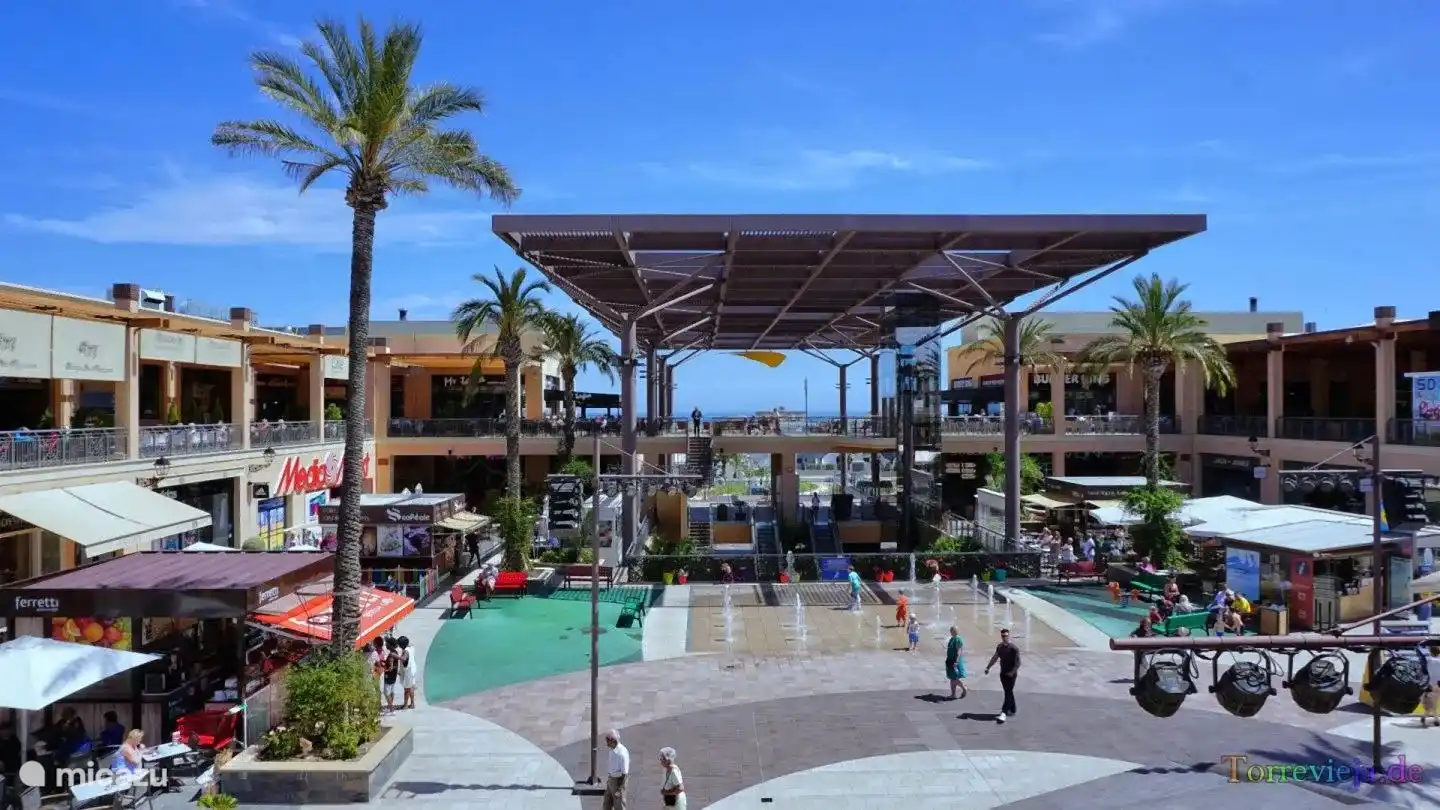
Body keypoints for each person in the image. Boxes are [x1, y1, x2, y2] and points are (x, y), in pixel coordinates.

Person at [984, 628, 1020, 722]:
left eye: (1006, 636)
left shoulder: (1014, 649)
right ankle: (1013, 709)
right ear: (1001, 636)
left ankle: (1004, 712)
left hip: (1011, 675)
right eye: (1003, 636)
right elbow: (995, 657)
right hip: (1003, 673)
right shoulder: (1000, 647)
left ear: (1009, 636)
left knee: (1008, 692)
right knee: (1008, 692)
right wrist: (988, 667)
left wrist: (1011, 673)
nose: (1004, 638)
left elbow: (1018, 663)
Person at [603, 730, 629, 810]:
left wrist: (620, 789)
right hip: (611, 779)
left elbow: (625, 774)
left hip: (618, 781)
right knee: (606, 804)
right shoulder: (612, 749)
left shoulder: (621, 754)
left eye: (607, 740)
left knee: (619, 806)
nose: (606, 742)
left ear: (613, 740)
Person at [1420, 643, 1440, 728]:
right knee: (1434, 702)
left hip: (1429, 684)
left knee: (1431, 702)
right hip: (1438, 684)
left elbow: (1425, 672)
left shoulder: (1428, 661)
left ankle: (1427, 717)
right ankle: (1435, 719)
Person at [945, 626, 967, 699]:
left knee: (954, 678)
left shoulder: (958, 639)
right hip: (950, 660)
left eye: (952, 630)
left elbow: (959, 651)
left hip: (955, 661)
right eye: (951, 630)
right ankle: (953, 694)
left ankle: (964, 688)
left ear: (955, 631)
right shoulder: (952, 639)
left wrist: (956, 661)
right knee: (952, 678)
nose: (951, 632)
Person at [398, 637, 418, 710]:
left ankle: (405, 705)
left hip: (408, 671)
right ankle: (412, 703)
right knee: (411, 687)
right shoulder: (411, 648)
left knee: (407, 689)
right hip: (412, 669)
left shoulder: (406, 651)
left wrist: (395, 656)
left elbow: (404, 658)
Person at [382, 637, 400, 712]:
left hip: (389, 675)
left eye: (387, 643)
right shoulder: (395, 652)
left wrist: (383, 669)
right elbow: (393, 665)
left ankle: (391, 707)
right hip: (394, 675)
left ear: (390, 645)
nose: (385, 645)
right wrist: (384, 662)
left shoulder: (391, 655)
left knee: (386, 692)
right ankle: (391, 705)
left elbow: (390, 668)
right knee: (392, 690)